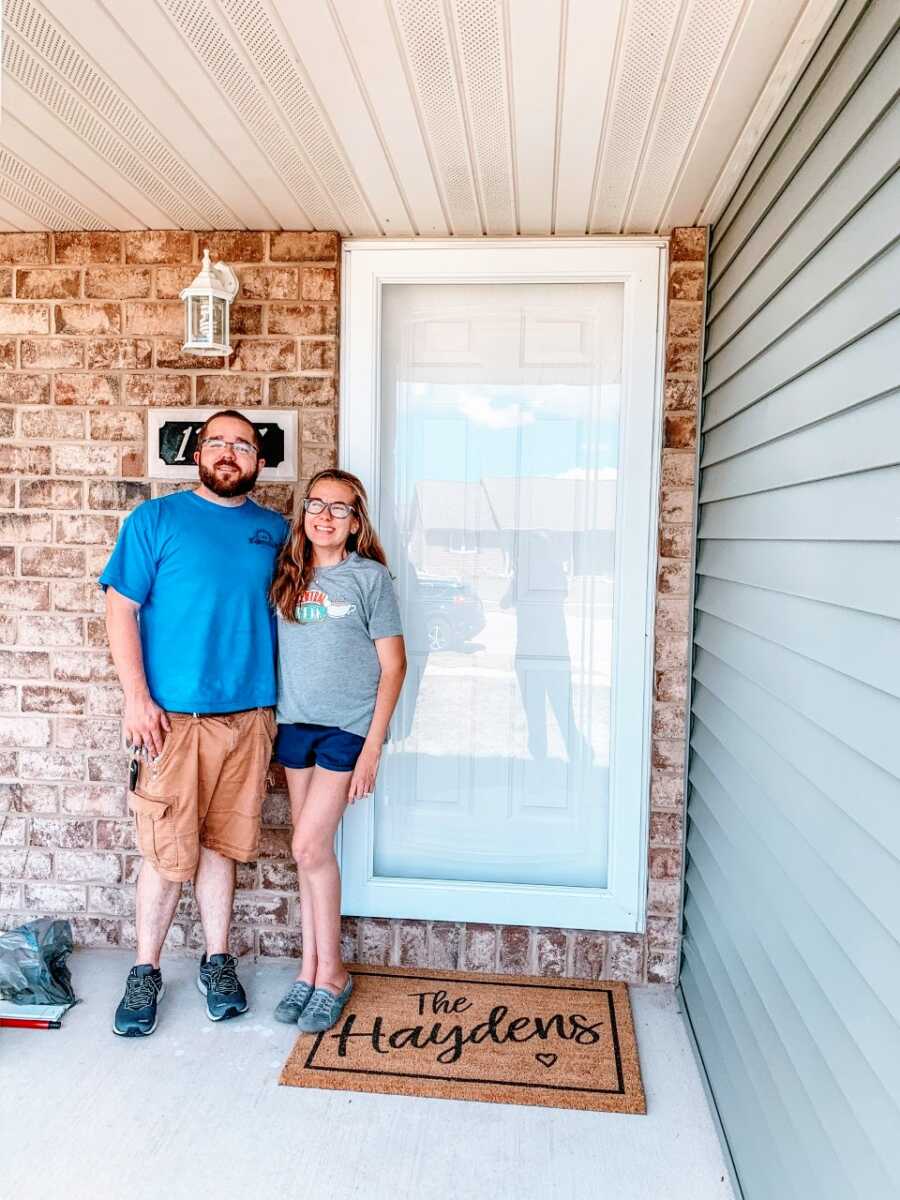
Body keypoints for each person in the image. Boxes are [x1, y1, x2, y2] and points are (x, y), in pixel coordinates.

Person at [100, 410, 287, 1037]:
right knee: (164, 850)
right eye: (218, 443)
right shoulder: (155, 520)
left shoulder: (276, 531)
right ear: (197, 453)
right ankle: (145, 971)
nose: (230, 453)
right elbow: (119, 609)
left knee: (220, 845)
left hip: (249, 719)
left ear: (260, 461)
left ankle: (216, 960)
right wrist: (136, 698)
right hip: (171, 721)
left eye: (243, 445)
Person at [269, 469, 406, 1033]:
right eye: (316, 505)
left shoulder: (369, 579)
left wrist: (373, 747)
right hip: (293, 728)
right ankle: (309, 969)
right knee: (308, 853)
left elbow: (394, 665)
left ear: (356, 523)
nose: (325, 516)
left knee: (308, 844)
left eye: (339, 509)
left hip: (346, 732)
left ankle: (335, 975)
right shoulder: (285, 578)